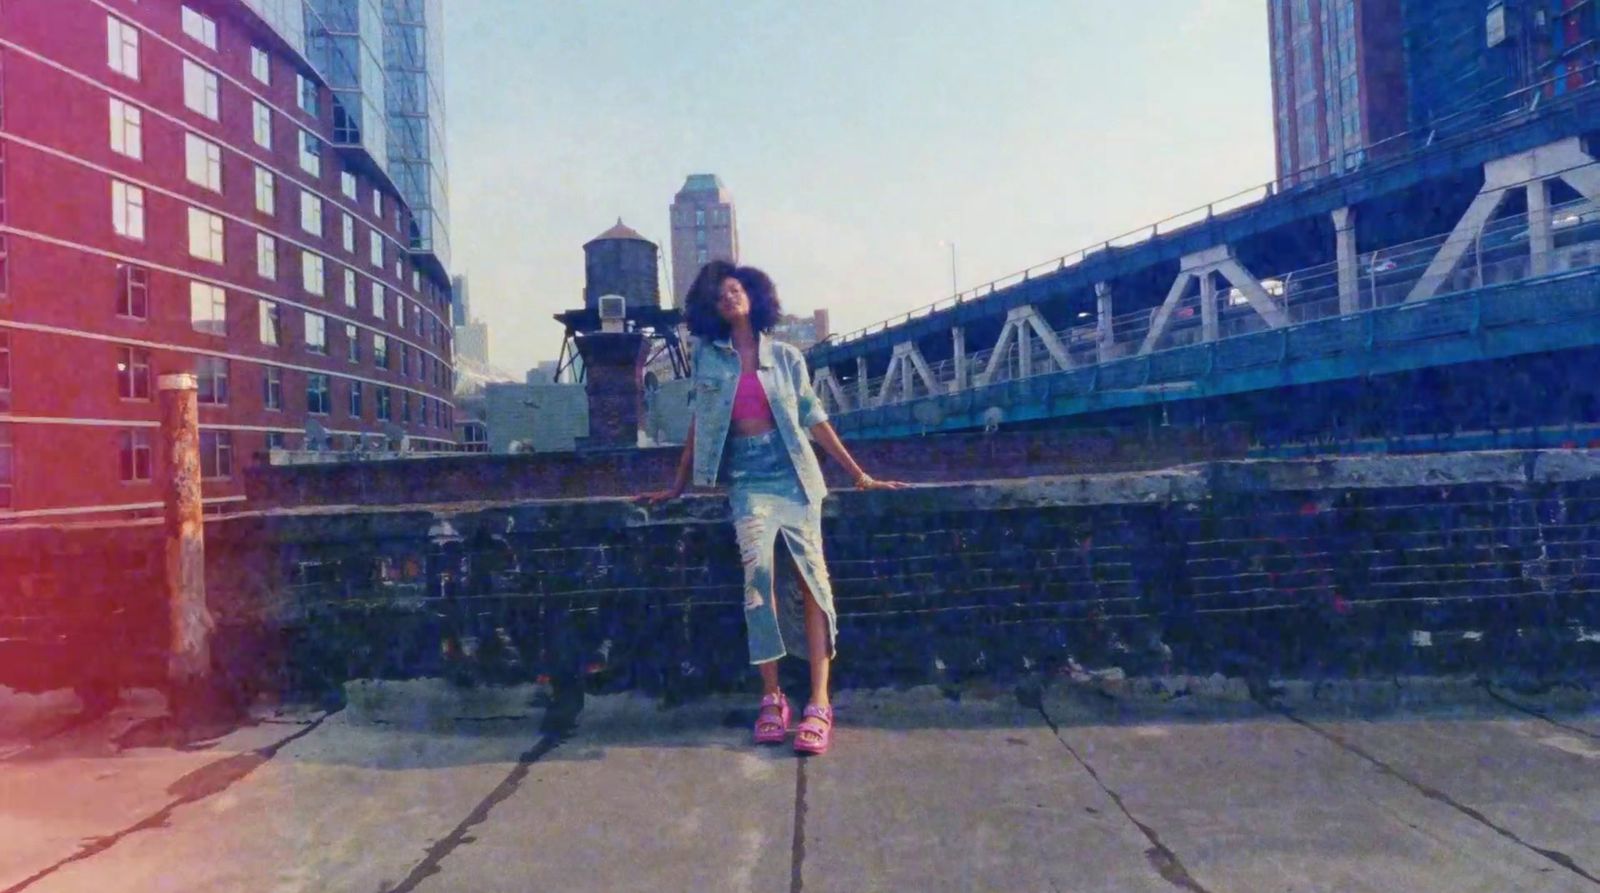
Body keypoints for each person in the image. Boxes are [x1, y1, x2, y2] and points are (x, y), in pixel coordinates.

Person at [640, 261, 905, 756]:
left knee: (811, 580)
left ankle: (820, 702)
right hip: (747, 479)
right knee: (758, 578)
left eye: (736, 290)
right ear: (710, 309)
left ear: (755, 296)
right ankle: (772, 697)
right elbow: (700, 423)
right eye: (720, 295)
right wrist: (676, 485)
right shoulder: (709, 361)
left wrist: (859, 474)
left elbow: (814, 419)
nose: (729, 298)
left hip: (796, 476)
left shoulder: (786, 357)